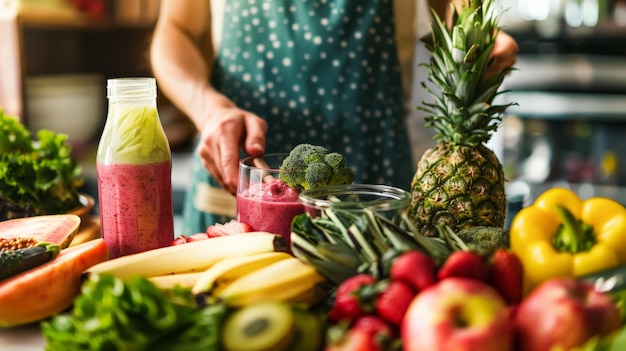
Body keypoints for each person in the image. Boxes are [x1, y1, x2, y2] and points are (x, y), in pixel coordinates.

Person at [150, 0, 519, 235]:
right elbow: (177, 29)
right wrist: (207, 108)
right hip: (238, 180)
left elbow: (450, 14)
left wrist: (483, 40)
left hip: (372, 191)